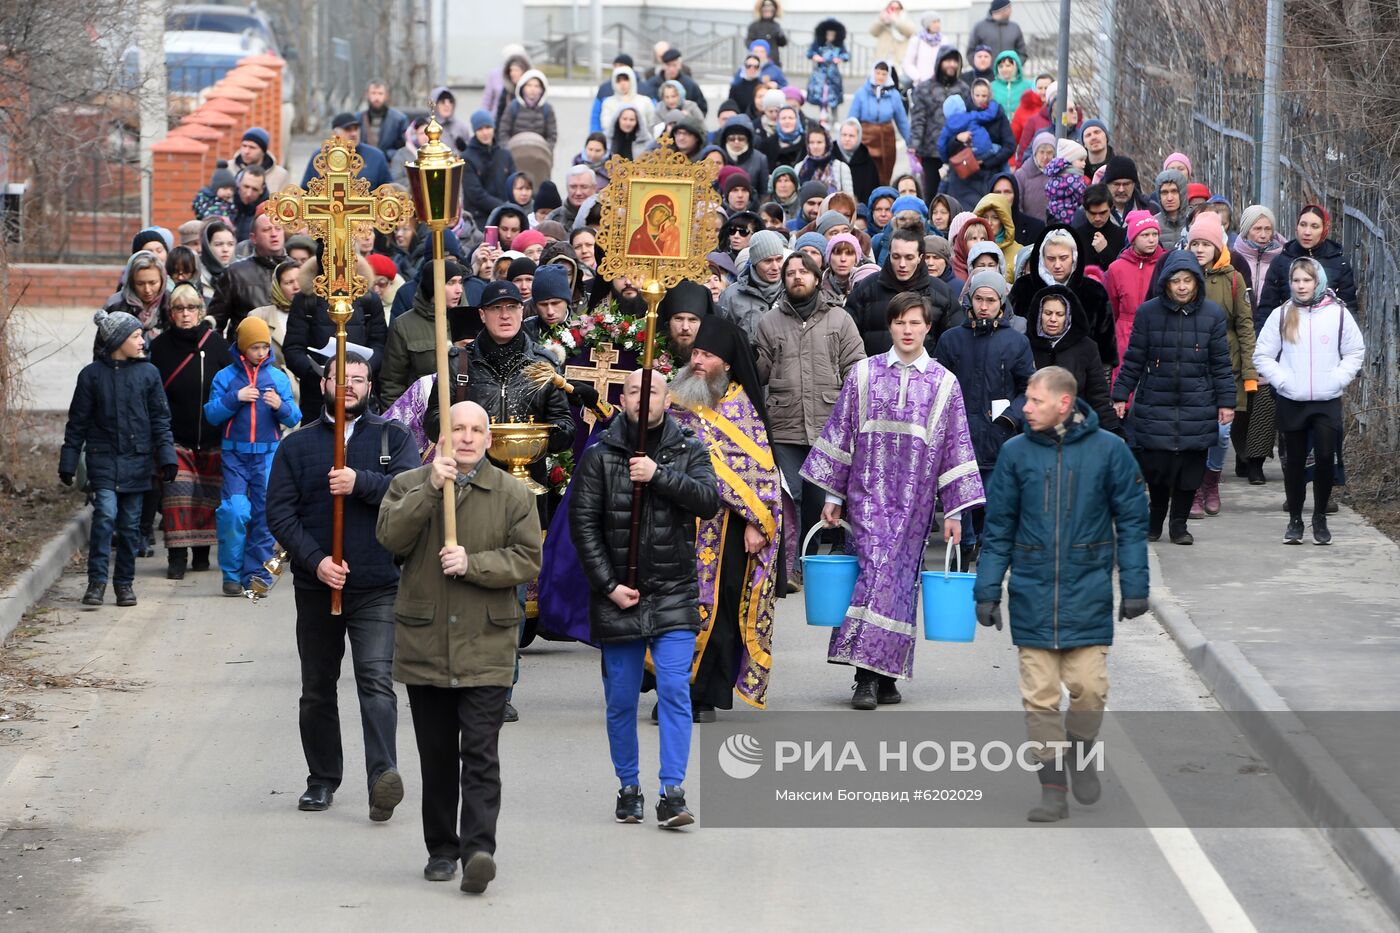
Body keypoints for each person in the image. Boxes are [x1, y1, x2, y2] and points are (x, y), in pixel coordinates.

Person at [374, 400, 540, 892]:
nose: (467, 438)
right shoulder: (408, 485)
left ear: (489, 439)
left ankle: (479, 849)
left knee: (482, 754)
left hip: (487, 643)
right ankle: (441, 848)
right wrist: (429, 489)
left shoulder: (513, 494)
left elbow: (528, 560)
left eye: (476, 430)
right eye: (457, 429)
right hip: (426, 642)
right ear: (442, 437)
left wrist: (473, 564)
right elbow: (390, 537)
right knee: (438, 754)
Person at [974, 365, 1149, 823]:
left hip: (1087, 593)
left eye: (1033, 400)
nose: (1025, 407)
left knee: (1089, 690)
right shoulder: (1014, 454)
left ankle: (1080, 752)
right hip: (1031, 592)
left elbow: (1131, 522)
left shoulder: (1109, 451)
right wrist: (988, 590)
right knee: (1040, 697)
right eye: (1026, 399)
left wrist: (1134, 586)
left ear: (1063, 403)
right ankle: (1052, 789)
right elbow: (998, 529)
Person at [802, 291, 985, 707]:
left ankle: (887, 677)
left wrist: (954, 510)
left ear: (927, 327)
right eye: (900, 322)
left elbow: (956, 447)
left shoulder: (944, 384)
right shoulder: (863, 375)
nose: (908, 329)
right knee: (874, 572)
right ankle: (865, 677)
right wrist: (832, 494)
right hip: (866, 497)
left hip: (915, 504)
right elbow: (842, 433)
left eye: (915, 322)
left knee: (901, 584)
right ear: (890, 325)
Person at [265, 352, 418, 823]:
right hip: (317, 588)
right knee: (317, 687)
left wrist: (361, 482)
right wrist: (317, 562)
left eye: (358, 379)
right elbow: (280, 513)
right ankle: (322, 779)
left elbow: (412, 493)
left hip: (377, 585)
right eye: (341, 377)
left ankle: (382, 777)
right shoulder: (298, 445)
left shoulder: (394, 436)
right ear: (323, 383)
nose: (349, 385)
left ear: (370, 385)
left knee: (376, 682)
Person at [570, 368, 719, 826]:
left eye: (651, 390)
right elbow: (584, 527)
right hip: (619, 595)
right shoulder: (600, 456)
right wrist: (608, 586)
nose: (643, 398)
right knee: (620, 698)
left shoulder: (688, 448)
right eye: (635, 391)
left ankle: (672, 791)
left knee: (675, 689)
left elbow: (708, 501)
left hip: (672, 591)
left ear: (666, 399)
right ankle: (628, 786)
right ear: (624, 398)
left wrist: (658, 476)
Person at [667, 318, 784, 718]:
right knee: (671, 604)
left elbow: (761, 473)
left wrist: (757, 522)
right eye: (695, 353)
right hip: (675, 523)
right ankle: (670, 688)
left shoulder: (741, 407)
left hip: (726, 528)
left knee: (719, 607)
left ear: (728, 363)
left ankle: (704, 695)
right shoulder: (676, 400)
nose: (697, 361)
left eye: (707, 355)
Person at [1111, 251, 1236, 546]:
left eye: (1188, 281)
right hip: (1157, 401)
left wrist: (1226, 402)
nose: (1182, 287)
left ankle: (1179, 525)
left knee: (1189, 471)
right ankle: (1154, 522)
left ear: (1196, 283)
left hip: (1197, 404)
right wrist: (1120, 394)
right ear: (1166, 283)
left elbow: (1220, 364)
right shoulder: (1148, 313)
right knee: (1157, 470)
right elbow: (1134, 359)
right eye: (1176, 281)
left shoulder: (1212, 315)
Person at [755, 253, 865, 569]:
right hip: (784, 424)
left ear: (817, 278)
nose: (797, 277)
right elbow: (759, 372)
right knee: (790, 496)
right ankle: (789, 564)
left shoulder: (839, 319)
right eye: (790, 273)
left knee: (818, 500)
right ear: (783, 279)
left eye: (804, 272)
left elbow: (856, 366)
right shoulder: (769, 321)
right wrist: (753, 358)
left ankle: (809, 557)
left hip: (827, 426)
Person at [60, 309, 176, 607]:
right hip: (104, 460)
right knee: (105, 518)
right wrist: (68, 462)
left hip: (137, 463)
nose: (142, 341)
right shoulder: (91, 376)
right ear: (117, 340)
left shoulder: (148, 374)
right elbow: (78, 423)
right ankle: (96, 582)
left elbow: (160, 420)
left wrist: (167, 458)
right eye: (136, 336)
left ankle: (124, 583)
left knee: (130, 527)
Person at [1252, 257, 1364, 545]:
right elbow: (1262, 355)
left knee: (1326, 458)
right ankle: (1295, 520)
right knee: (1295, 463)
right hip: (1293, 398)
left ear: (1318, 281)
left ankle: (1320, 518)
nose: (1301, 286)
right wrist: (1283, 380)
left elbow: (1354, 351)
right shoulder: (1282, 314)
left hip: (1326, 399)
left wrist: (1338, 378)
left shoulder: (1338, 314)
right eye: (1296, 280)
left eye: (1307, 280)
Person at [934, 270, 1035, 559]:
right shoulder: (951, 340)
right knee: (961, 500)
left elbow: (1028, 386)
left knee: (994, 501)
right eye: (979, 298)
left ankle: (988, 551)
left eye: (991, 300)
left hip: (999, 435)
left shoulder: (1016, 342)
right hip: (959, 436)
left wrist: (1012, 418)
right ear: (969, 300)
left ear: (1002, 304)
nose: (984, 305)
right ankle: (964, 550)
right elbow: (940, 386)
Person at [204, 317, 301, 595]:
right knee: (234, 512)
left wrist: (280, 406)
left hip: (267, 457)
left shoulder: (278, 377)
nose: (261, 353)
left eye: (264, 347)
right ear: (242, 347)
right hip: (234, 456)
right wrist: (235, 398)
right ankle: (231, 574)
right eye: (255, 347)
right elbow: (211, 414)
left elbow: (295, 416)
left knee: (264, 516)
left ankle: (256, 575)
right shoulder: (225, 377)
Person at [148, 283, 232, 580]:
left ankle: (200, 552)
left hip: (213, 436)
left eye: (191, 308)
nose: (185, 314)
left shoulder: (217, 345)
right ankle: (177, 556)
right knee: (177, 495)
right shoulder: (158, 348)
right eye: (179, 309)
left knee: (207, 497)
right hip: (175, 436)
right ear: (170, 313)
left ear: (201, 311)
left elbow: (231, 384)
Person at [1186, 212, 1256, 519]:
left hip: (1228, 369)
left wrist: (1250, 372)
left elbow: (1244, 325)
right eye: (1195, 243)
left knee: (1221, 433)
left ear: (1218, 246)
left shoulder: (1233, 279)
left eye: (1206, 244)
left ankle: (1212, 480)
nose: (1200, 249)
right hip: (1191, 369)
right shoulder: (1182, 276)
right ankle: (1194, 489)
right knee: (1195, 432)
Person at [283, 253, 388, 420]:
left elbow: (380, 344)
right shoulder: (306, 301)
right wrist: (321, 373)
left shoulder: (368, 299)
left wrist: (361, 371)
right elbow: (293, 349)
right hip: (317, 397)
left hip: (360, 396)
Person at [1232, 204, 1287, 483]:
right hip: (1238, 333)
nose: (1264, 234)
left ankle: (1256, 459)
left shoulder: (1284, 257)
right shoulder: (1233, 258)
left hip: (1272, 333)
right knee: (1242, 396)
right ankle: (1242, 452)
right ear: (1246, 229)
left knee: (1265, 397)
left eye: (1268, 228)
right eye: (1257, 228)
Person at [846, 227, 959, 353]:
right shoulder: (866, 288)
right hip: (875, 370)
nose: (902, 264)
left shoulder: (942, 293)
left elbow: (953, 344)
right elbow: (848, 338)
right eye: (896, 257)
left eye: (909, 257)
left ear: (920, 257)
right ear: (889, 255)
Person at [1025, 285, 1120, 432]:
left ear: (1068, 315)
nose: (1053, 319)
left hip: (1076, 427)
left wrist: (1114, 429)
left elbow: (1098, 395)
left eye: (1059, 314)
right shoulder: (1025, 345)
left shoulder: (1087, 348)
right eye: (1048, 313)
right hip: (1034, 426)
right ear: (1039, 315)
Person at [380, 260, 467, 407]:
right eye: (451, 283)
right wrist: (397, 425)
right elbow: (392, 383)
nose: (459, 290)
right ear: (434, 286)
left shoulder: (471, 320)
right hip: (421, 416)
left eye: (460, 282)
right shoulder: (404, 326)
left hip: (465, 414)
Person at [1105, 211, 1167, 384]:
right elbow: (1112, 307)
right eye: (1145, 235)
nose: (1152, 239)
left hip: (1158, 332)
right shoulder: (1116, 268)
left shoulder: (1167, 263)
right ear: (1133, 238)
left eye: (1155, 234)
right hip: (1125, 334)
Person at [209, 207, 286, 340]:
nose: (274, 234)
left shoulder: (296, 271)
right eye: (267, 230)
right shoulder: (234, 273)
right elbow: (215, 323)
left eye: (278, 228)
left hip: (288, 354)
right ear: (253, 238)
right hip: (245, 352)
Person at [910, 47, 969, 187]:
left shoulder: (964, 89)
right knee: (931, 194)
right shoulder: (924, 88)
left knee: (957, 193)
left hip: (957, 151)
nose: (952, 64)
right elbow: (918, 119)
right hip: (931, 152)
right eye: (948, 60)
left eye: (955, 61)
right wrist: (913, 146)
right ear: (939, 62)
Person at [246, 258, 303, 403]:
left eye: (299, 280)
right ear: (278, 287)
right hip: (273, 395)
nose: (296, 287)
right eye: (289, 283)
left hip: (310, 393)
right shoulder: (259, 317)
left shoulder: (316, 314)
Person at [848, 61, 910, 186]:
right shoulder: (861, 93)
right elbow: (852, 119)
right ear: (872, 73)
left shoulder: (894, 95)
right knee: (864, 174)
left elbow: (902, 121)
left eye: (884, 74)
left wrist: (911, 143)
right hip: (866, 138)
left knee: (884, 175)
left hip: (886, 140)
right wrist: (849, 137)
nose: (880, 76)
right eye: (877, 73)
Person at [717, 229, 785, 339]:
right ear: (755, 262)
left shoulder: (791, 292)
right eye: (768, 261)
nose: (775, 267)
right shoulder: (731, 296)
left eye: (779, 259)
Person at [300, 112, 392, 189]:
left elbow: (389, 190)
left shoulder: (376, 156)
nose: (354, 134)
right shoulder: (320, 157)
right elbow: (305, 190)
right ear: (334, 134)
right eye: (348, 129)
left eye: (356, 129)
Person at [463, 111, 516, 225]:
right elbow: (476, 194)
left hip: (506, 217)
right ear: (475, 131)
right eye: (480, 129)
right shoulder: (467, 158)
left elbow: (514, 184)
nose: (485, 132)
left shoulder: (504, 154)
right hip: (479, 218)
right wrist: (503, 207)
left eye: (488, 127)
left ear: (494, 128)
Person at [1073, 184, 1125, 271]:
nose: (1097, 218)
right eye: (1092, 213)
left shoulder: (1122, 235)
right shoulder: (1075, 236)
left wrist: (1105, 252)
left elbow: (1122, 272)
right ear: (1085, 210)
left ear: (1111, 208)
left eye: (1102, 213)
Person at [806, 18, 849, 118]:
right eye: (828, 34)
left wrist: (839, 59)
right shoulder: (818, 44)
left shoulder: (839, 45)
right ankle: (823, 116)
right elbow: (809, 53)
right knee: (821, 95)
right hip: (820, 74)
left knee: (834, 96)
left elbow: (846, 55)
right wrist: (815, 57)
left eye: (832, 35)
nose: (830, 37)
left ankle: (835, 117)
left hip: (833, 74)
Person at [231, 126, 291, 196]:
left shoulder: (280, 175)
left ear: (263, 151)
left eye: (252, 147)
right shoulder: (228, 169)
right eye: (244, 146)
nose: (246, 151)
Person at [358, 80, 409, 160]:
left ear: (386, 96)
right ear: (367, 95)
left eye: (380, 93)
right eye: (373, 93)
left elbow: (405, 148)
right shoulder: (358, 118)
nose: (377, 97)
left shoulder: (399, 120)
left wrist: (386, 154)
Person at [1014, 131, 1056, 221]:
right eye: (1041, 152)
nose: (1045, 157)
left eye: (1049, 153)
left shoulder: (1058, 174)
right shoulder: (1021, 175)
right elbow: (1017, 205)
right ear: (1035, 153)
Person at [903, 13, 946, 85]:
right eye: (934, 22)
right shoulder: (916, 40)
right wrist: (917, 77)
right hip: (921, 83)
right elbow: (907, 63)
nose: (937, 24)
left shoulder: (943, 40)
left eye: (938, 21)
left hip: (939, 83)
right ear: (927, 24)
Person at [1151, 169, 1190, 248]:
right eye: (1164, 192)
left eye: (1174, 191)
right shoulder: (1152, 224)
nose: (1169, 198)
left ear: (1182, 193)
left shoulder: (1195, 219)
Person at [746, 0, 788, 68]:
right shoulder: (754, 26)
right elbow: (748, 42)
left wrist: (781, 36)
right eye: (765, 10)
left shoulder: (776, 25)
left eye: (770, 10)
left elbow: (783, 43)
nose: (768, 12)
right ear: (761, 11)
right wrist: (758, 50)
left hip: (774, 62)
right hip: (758, 63)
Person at [989, 50, 1032, 116]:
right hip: (999, 124)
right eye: (1001, 66)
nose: (1004, 69)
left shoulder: (1028, 86)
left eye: (1008, 66)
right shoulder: (991, 86)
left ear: (1016, 66)